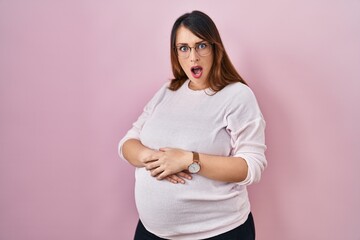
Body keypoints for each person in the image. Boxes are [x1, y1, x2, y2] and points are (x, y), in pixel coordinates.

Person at [118, 10, 267, 240]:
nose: (193, 57)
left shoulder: (237, 95)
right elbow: (128, 143)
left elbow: (251, 167)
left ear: (215, 48)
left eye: (201, 45)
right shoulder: (168, 91)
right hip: (151, 232)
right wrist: (156, 159)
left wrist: (188, 160)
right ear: (176, 53)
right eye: (184, 48)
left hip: (218, 232)